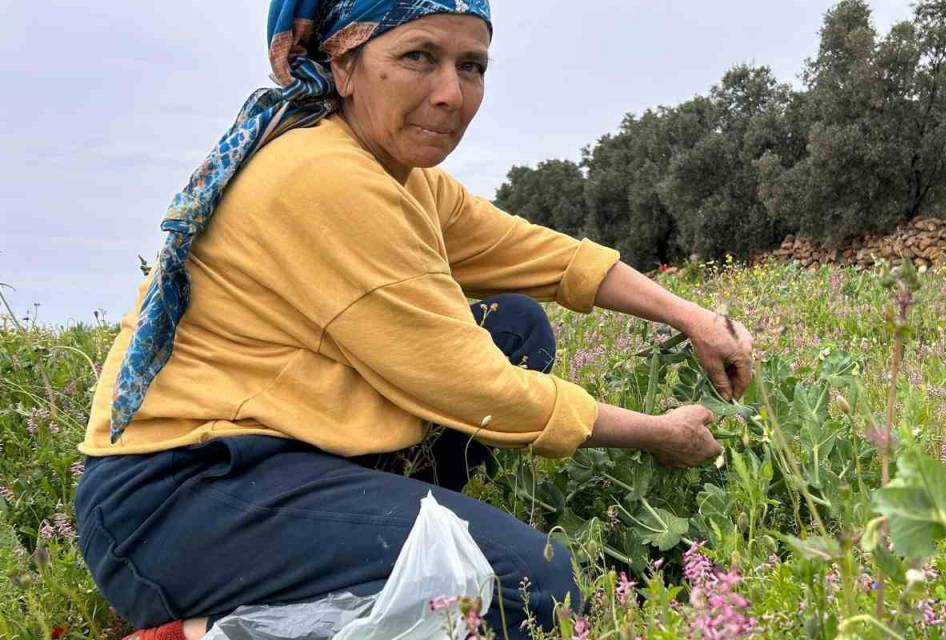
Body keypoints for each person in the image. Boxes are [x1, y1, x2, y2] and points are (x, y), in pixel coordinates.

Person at [72, 2, 753, 639]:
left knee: (513, 322)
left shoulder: (397, 171)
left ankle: (371, 538)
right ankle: (200, 629)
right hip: (176, 502)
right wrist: (658, 435)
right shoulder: (325, 178)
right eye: (419, 57)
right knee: (531, 587)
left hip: (277, 451)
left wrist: (689, 313)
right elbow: (473, 386)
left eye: (472, 66)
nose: (451, 94)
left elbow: (538, 255)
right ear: (344, 64)